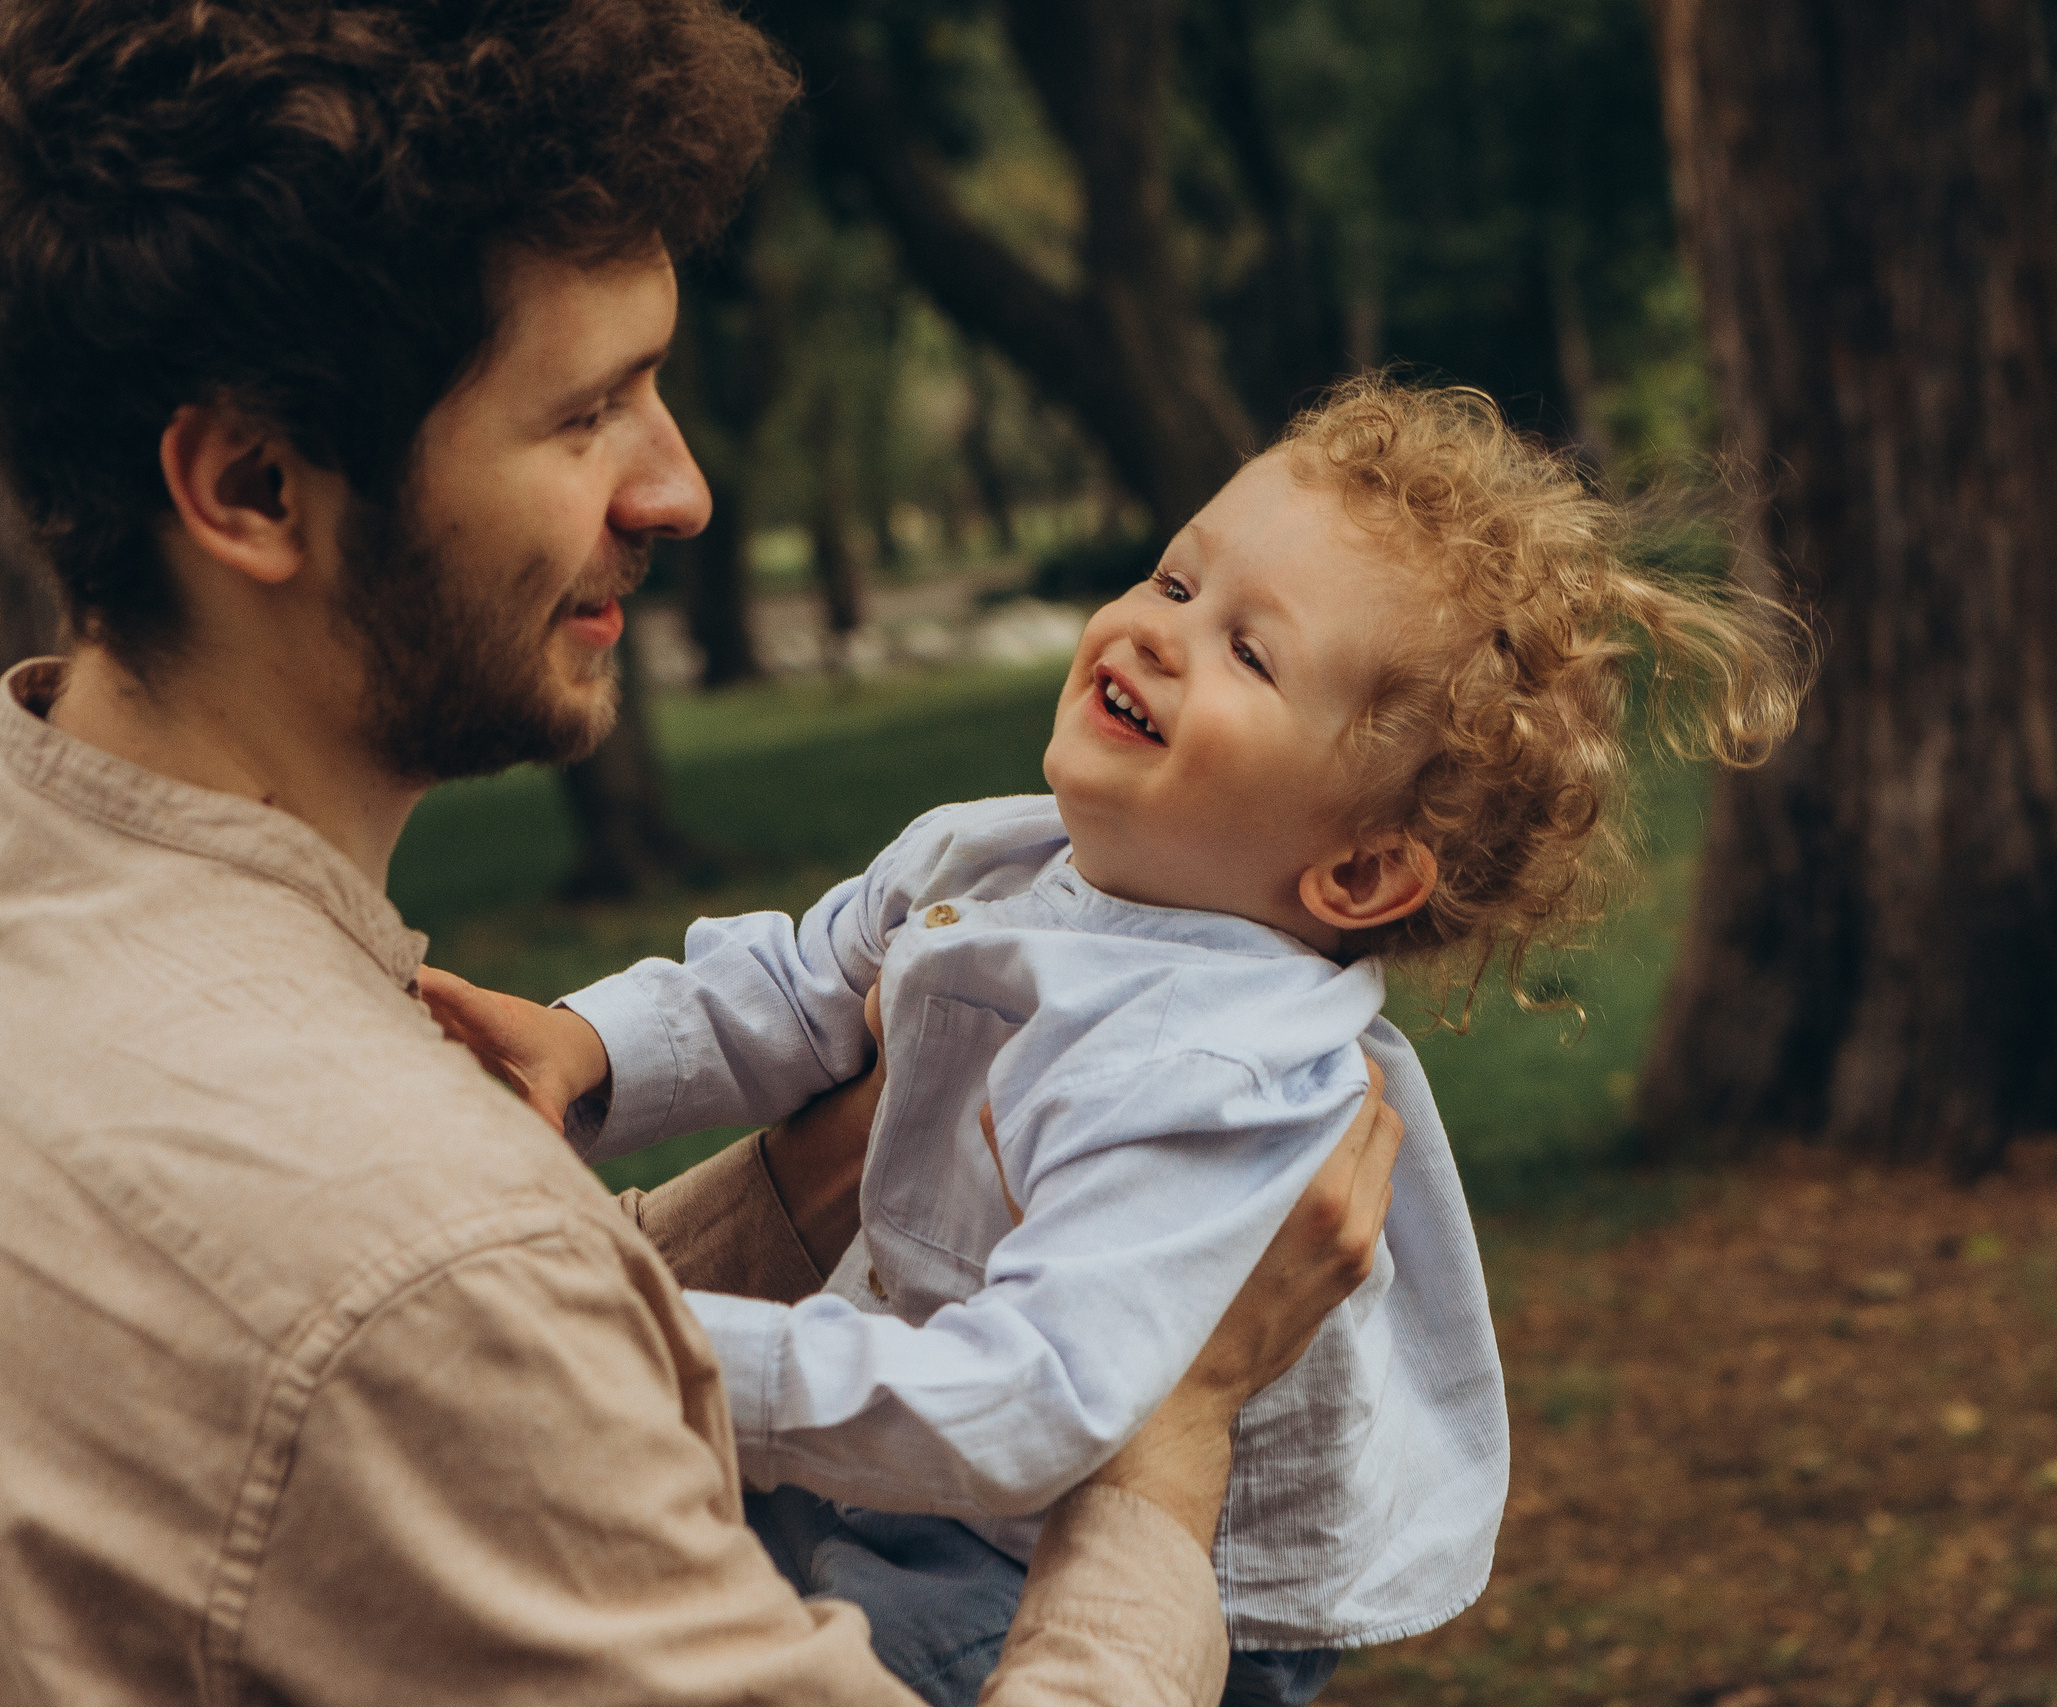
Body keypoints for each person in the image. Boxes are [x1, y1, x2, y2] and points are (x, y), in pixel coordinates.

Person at [0, 3, 1403, 1703]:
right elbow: (437, 1331)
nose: (680, 492)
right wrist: (1176, 1438)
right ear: (253, 485)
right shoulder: (418, 1256)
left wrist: (824, 1166)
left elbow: (390, 1377)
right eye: (586, 411)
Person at [423, 379, 1811, 1705]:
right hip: (947, 1436)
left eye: (1247, 652)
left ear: (1358, 876)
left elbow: (1043, 1398)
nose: (1157, 634)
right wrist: (584, 1048)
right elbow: (796, 984)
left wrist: (660, 1342)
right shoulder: (1002, 853)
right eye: (1175, 580)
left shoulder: (1218, 1076)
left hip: (1090, 1541)